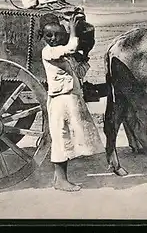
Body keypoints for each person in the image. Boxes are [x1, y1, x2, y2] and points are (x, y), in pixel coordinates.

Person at [40, 13, 104, 192]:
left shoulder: (65, 55)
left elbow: (80, 73)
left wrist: (85, 57)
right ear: (43, 37)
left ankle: (59, 178)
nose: (52, 39)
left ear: (63, 36)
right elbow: (71, 47)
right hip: (60, 100)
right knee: (61, 138)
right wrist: (74, 31)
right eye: (48, 36)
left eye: (57, 35)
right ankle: (60, 181)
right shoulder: (49, 52)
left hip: (71, 99)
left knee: (67, 137)